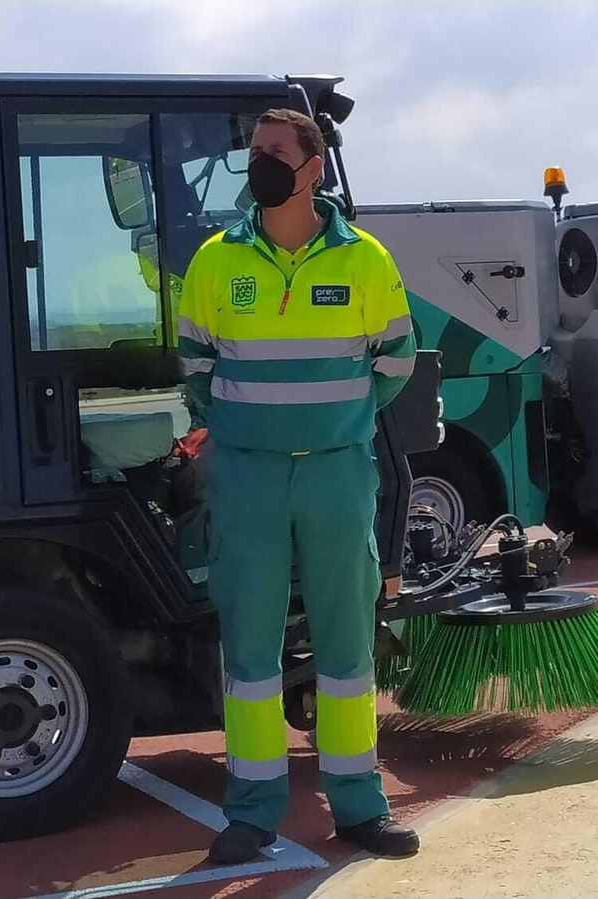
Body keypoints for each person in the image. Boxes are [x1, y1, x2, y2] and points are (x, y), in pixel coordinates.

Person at [174, 107, 420, 865]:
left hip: (336, 473)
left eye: (275, 151)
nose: (260, 163)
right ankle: (251, 815)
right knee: (249, 647)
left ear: (312, 167)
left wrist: (333, 425)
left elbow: (396, 361)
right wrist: (253, 429)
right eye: (254, 151)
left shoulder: (365, 260)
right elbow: (195, 367)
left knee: (347, 642)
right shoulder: (215, 261)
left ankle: (360, 807)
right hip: (246, 476)